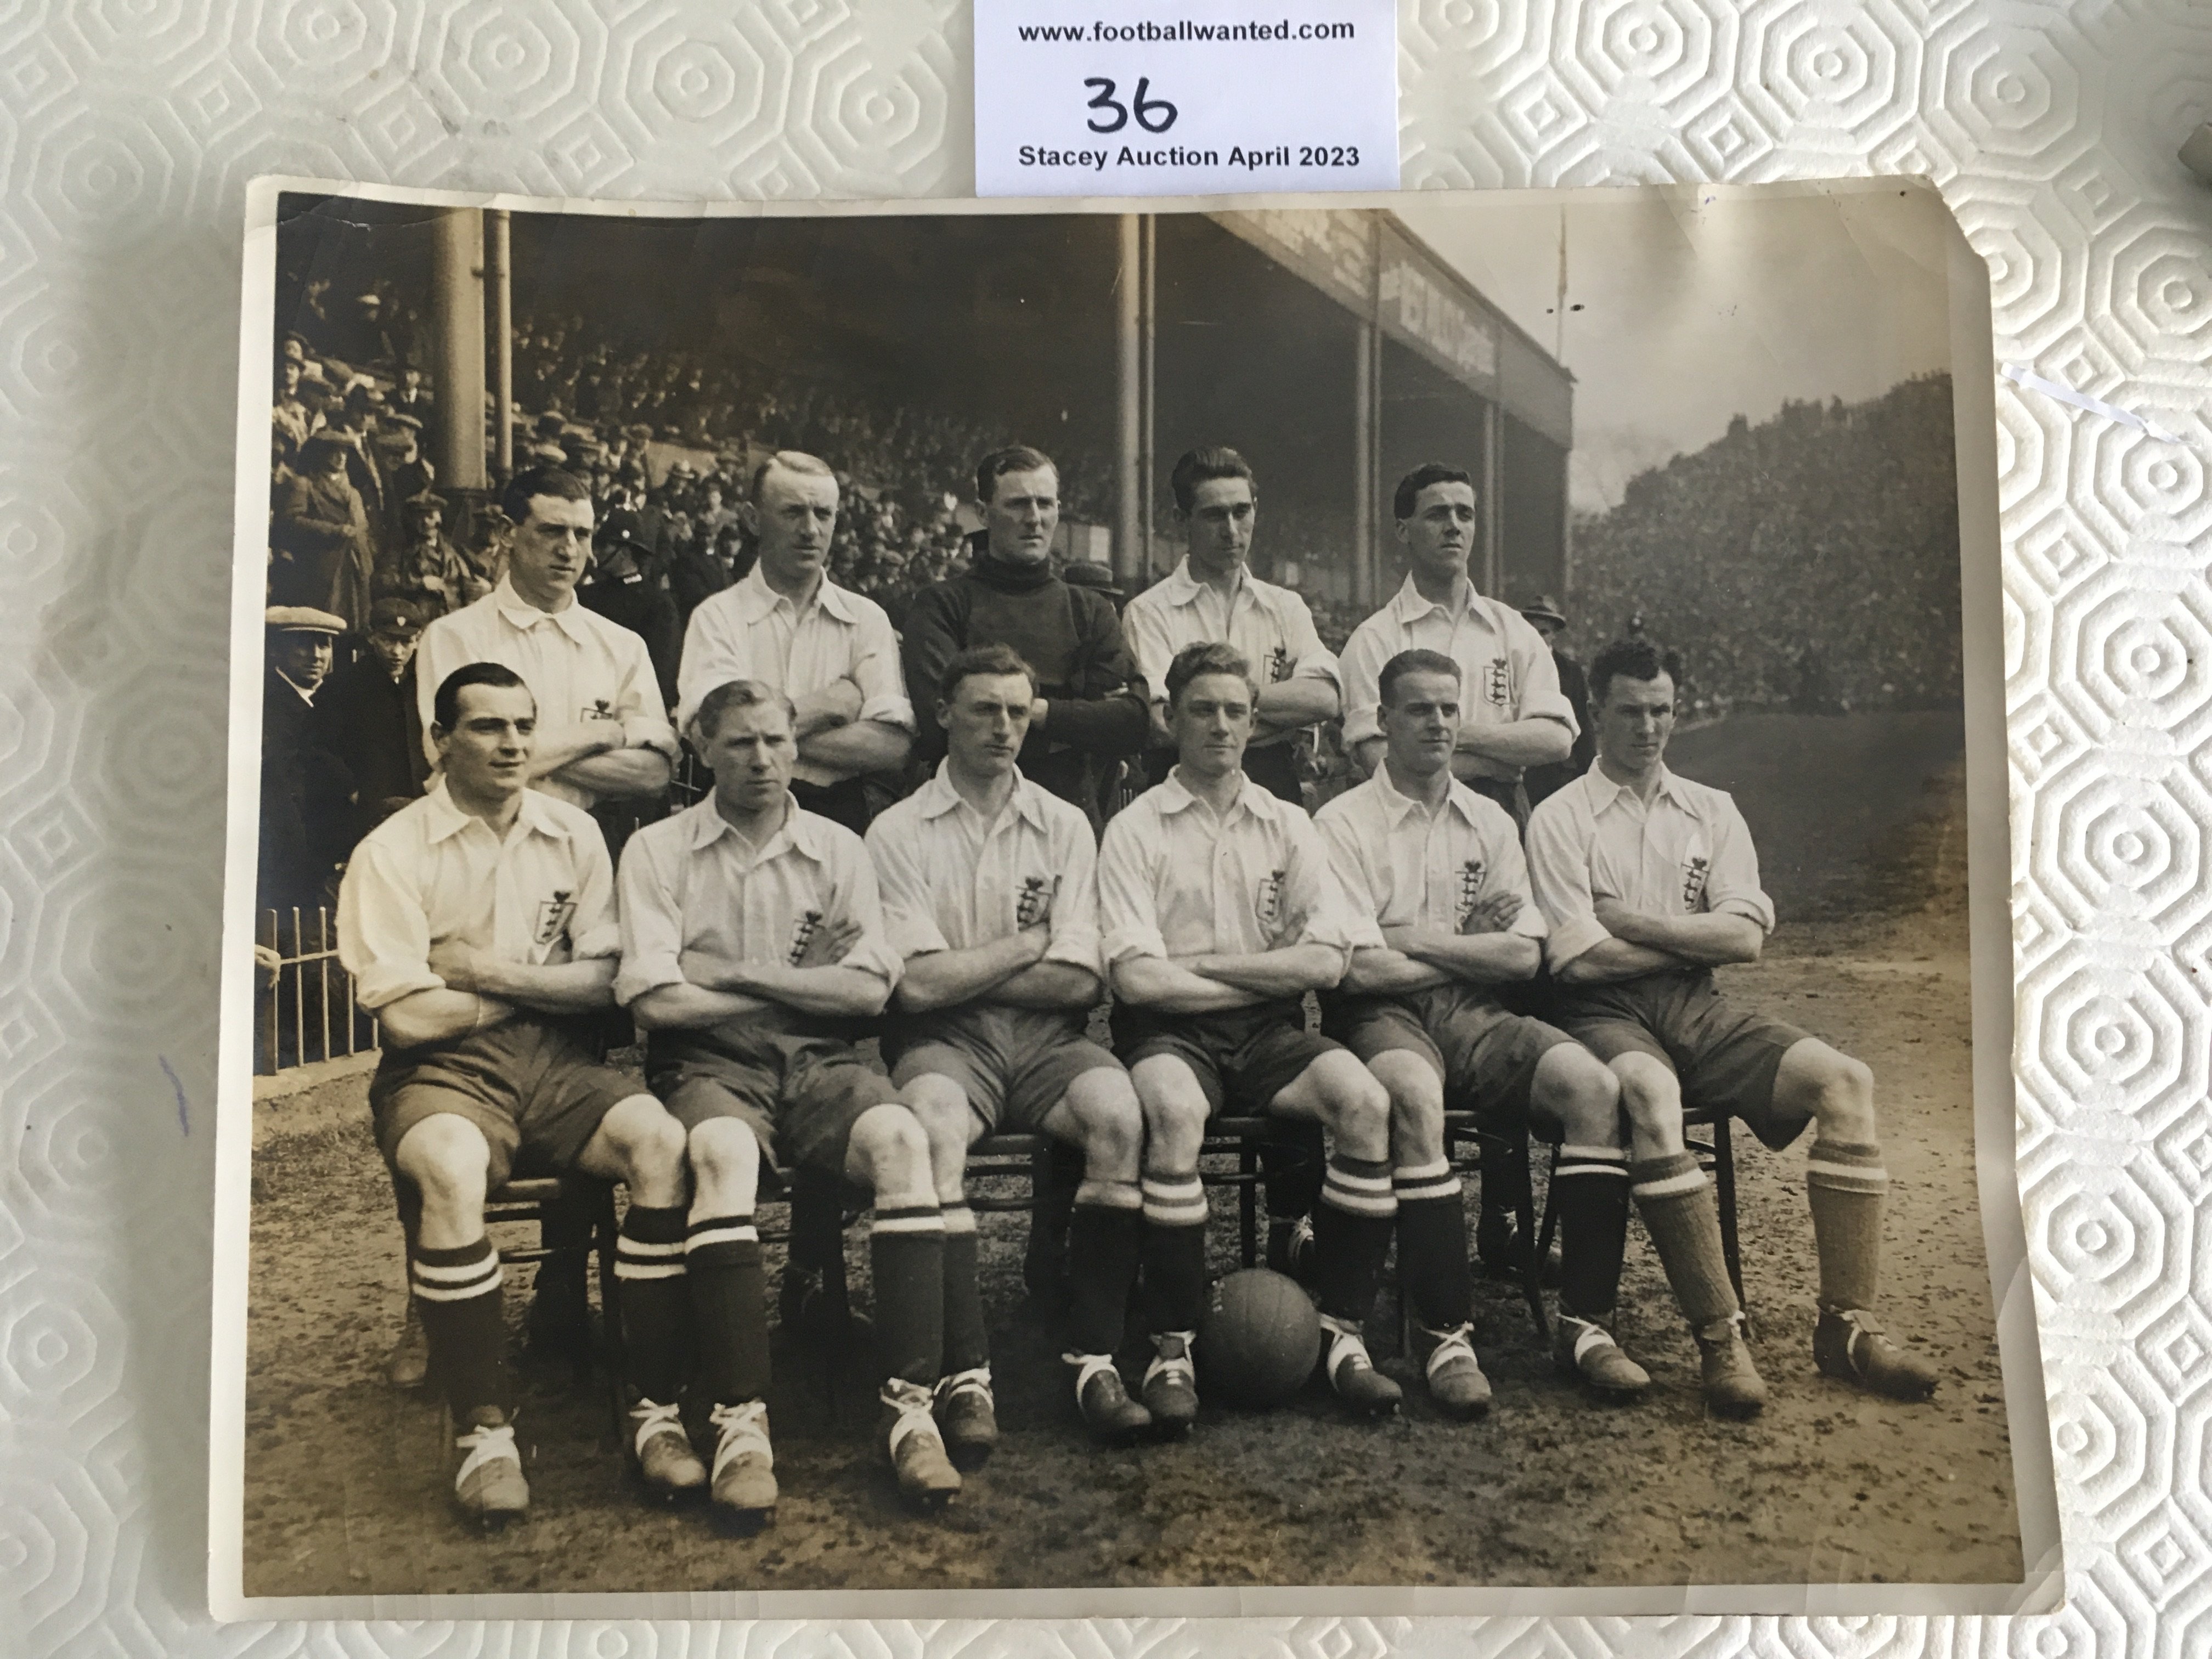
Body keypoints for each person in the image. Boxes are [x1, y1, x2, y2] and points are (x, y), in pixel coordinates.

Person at [1525, 637, 1941, 1416]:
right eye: (1628, 711)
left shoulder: (1711, 809)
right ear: (1594, 713)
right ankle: (1720, 1337)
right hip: (1599, 1014)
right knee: (1647, 1093)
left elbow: (1746, 938)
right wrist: (1688, 929)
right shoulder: (1560, 817)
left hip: (1697, 1005)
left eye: (1661, 711)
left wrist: (1635, 922)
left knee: (1847, 1082)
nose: (1647, 729)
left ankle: (1847, 1328)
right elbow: (1574, 960)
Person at [334, 662, 704, 1525]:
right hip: (446, 1074)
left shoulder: (572, 833)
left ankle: (657, 1413)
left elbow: (609, 983)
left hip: (564, 1067)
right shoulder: (391, 851)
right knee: (452, 1167)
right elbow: (409, 1023)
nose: (511, 745)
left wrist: (483, 976)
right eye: (486, 727)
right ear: (439, 741)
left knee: (661, 1144)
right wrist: (534, 985)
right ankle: (485, 1432)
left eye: (522, 728)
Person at [616, 677, 966, 1513]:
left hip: (820, 1062)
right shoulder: (656, 850)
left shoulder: (840, 848)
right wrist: (800, 984)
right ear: (700, 748)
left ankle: (912, 1415)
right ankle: (741, 1424)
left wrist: (733, 972)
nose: (764, 759)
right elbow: (658, 1003)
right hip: (708, 1063)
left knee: (902, 1140)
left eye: (777, 740)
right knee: (722, 1151)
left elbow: (867, 996)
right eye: (740, 743)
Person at [1316, 650, 1649, 1412]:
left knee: (1595, 1087)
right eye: (1419, 709)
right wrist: (1464, 943)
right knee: (1413, 1095)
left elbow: (1524, 952)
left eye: (1448, 708)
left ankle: (1587, 1326)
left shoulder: (1490, 819)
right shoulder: (1339, 825)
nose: (1437, 723)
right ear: (1383, 721)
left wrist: (1409, 936)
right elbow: (1354, 972)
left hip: (1478, 1014)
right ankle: (1447, 1334)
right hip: (1380, 1018)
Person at [1097, 640, 1401, 1428]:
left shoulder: (1289, 824)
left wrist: (1207, 966)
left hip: (1270, 1036)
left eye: (1236, 711)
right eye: (1203, 710)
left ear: (1256, 721)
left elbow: (1329, 960)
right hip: (1169, 1036)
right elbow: (1136, 980)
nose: (1220, 725)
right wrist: (1262, 964)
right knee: (1172, 1113)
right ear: (1170, 719)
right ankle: (1173, 1348)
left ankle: (1342, 1336)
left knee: (1365, 1102)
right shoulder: (1134, 829)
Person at [866, 645, 1155, 1450]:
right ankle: (967, 1378)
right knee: (933, 1129)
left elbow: (1082, 985)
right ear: (944, 716)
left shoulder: (1064, 824)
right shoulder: (896, 830)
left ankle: (1095, 1359)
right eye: (985, 709)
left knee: (1120, 1118)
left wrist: (973, 967)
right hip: (945, 1046)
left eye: (1018, 711)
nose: (1004, 727)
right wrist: (1029, 944)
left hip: (1048, 1046)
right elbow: (916, 991)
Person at [900, 445, 1149, 819]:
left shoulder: (1089, 611)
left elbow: (1132, 722)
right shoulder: (942, 605)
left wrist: (1032, 712)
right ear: (984, 513)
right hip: (964, 811)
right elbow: (941, 728)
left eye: (1045, 504)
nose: (1034, 518)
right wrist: (1077, 721)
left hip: (1070, 814)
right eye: (1018, 504)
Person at [414, 465, 676, 817]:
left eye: (582, 535)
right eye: (553, 531)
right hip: (486, 841)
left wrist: (517, 757)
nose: (569, 550)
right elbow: (454, 759)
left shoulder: (623, 646)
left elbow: (655, 774)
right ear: (508, 532)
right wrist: (601, 735)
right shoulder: (454, 636)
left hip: (588, 848)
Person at [673, 452, 912, 835]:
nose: (810, 530)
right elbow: (708, 736)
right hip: (735, 817)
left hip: (838, 819)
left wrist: (750, 734)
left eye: (823, 514)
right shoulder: (717, 617)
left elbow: (892, 748)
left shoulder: (867, 620)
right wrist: (831, 706)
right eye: (793, 512)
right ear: (754, 520)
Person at [1339, 464, 1577, 826]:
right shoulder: (1374, 639)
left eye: (1464, 514)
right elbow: (1378, 762)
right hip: (1409, 817)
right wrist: (1495, 763)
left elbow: (1556, 739)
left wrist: (1460, 735)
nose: (1454, 526)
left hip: (1502, 814)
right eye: (1437, 514)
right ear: (1404, 530)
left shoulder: (1512, 629)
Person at [1120, 447, 1340, 806]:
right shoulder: (1148, 613)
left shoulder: (1286, 606)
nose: (1231, 531)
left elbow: (1326, 699)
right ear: (1180, 519)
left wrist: (1207, 709)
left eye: (1242, 512)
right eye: (1214, 516)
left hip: (1274, 789)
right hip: (1182, 796)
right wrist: (1281, 716)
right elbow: (1162, 726)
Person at [312, 598, 432, 850]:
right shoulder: (343, 686)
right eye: (388, 640)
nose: (397, 652)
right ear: (371, 637)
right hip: (366, 812)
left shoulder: (427, 684)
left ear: (418, 640)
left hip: (421, 805)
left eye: (406, 642)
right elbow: (319, 746)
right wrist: (353, 791)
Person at [258, 606, 353, 916]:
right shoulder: (265, 706)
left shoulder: (337, 700)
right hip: (291, 861)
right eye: (303, 644)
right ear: (277, 650)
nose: (315, 655)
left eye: (323, 645)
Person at [270, 432, 374, 628]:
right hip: (320, 570)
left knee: (352, 630)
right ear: (321, 455)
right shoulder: (304, 485)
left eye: (344, 452)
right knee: (321, 626)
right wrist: (334, 531)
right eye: (334, 452)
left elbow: (364, 531)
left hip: (354, 570)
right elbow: (291, 523)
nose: (340, 457)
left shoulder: (353, 493)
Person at [579, 508, 681, 709]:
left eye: (605, 545)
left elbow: (662, 669)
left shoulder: (657, 604)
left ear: (625, 552)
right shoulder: (586, 595)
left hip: (632, 703)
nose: (596, 552)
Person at [1519, 594, 1597, 808]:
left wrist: (1589, 778)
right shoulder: (1512, 666)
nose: (1537, 638)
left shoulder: (1570, 671)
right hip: (1520, 774)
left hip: (1559, 775)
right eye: (1532, 631)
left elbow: (1583, 725)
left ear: (1554, 635)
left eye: (1544, 632)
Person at [376, 494, 483, 618]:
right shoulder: (400, 552)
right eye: (421, 517)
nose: (426, 522)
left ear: (439, 520)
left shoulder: (454, 552)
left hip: (451, 622)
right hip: (418, 622)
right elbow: (382, 582)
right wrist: (420, 583)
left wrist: (480, 590)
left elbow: (469, 588)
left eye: (431, 517)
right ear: (413, 520)